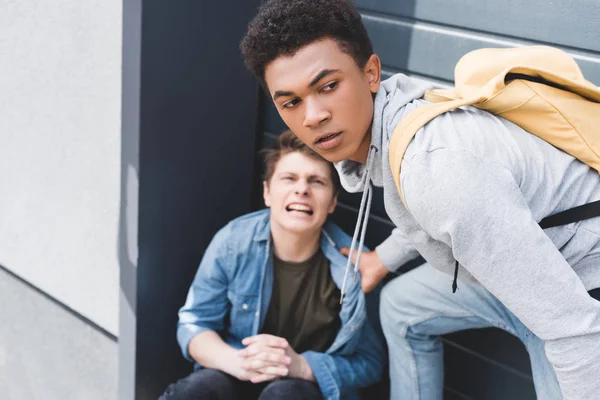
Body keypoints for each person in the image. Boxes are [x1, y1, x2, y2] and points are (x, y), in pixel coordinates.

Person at [239, 1, 600, 399]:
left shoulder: (437, 169)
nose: (313, 116)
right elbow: (444, 217)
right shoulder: (399, 130)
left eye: (328, 86)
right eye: (290, 102)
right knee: (401, 307)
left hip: (579, 290)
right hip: (520, 261)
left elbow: (575, 328)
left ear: (370, 73)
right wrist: (382, 260)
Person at [159, 130, 385, 400]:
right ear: (267, 192)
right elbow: (194, 323)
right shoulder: (233, 242)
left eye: (316, 182)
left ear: (333, 202)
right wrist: (238, 362)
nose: (301, 189)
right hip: (236, 373)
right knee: (198, 390)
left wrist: (302, 366)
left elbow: (371, 363)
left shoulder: (357, 266)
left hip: (304, 390)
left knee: (285, 394)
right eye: (289, 178)